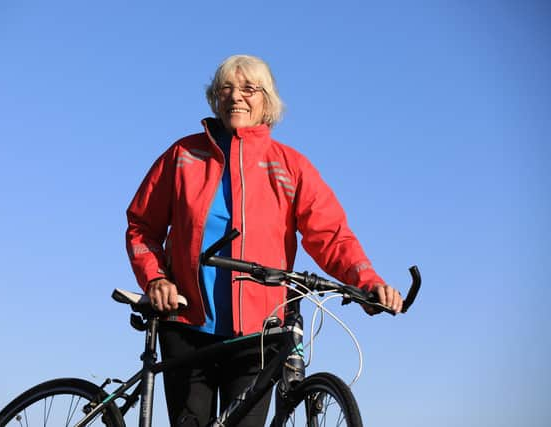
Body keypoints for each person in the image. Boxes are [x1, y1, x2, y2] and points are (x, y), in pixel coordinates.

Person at [125, 54, 403, 427]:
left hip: (259, 333)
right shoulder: (182, 155)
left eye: (248, 89)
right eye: (226, 88)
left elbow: (331, 234)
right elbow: (141, 225)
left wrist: (367, 282)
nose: (236, 96)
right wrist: (156, 278)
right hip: (187, 321)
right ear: (215, 98)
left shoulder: (290, 165)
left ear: (266, 101)